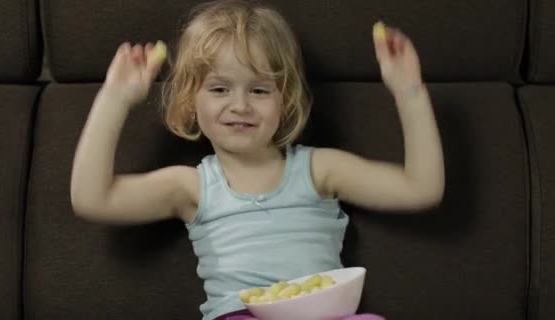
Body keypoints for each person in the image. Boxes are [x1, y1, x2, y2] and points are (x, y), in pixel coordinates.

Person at [70, 0, 445, 319]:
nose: (240, 105)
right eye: (219, 89)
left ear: (286, 101)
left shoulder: (319, 169)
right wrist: (115, 99)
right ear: (190, 102)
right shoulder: (192, 187)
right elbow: (93, 199)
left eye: (259, 89)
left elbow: (421, 189)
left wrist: (410, 94)